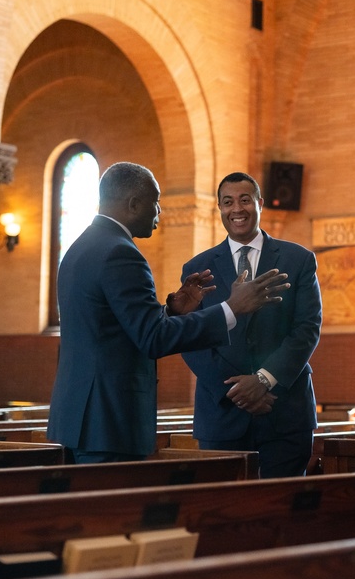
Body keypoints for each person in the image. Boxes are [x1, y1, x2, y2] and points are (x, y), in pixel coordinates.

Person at [47, 162, 289, 464]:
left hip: (78, 417)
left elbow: (115, 326)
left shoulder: (82, 246)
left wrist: (172, 311)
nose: (159, 211)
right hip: (108, 420)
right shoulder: (121, 254)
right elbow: (153, 339)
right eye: (156, 201)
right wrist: (231, 308)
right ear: (134, 204)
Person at [180, 172, 322, 478]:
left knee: (283, 510)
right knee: (223, 512)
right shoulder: (197, 269)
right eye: (228, 202)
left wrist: (263, 380)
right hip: (222, 411)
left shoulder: (298, 260)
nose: (237, 209)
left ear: (259, 203)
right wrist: (237, 391)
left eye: (245, 200)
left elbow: (307, 328)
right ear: (218, 208)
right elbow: (191, 338)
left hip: (283, 409)